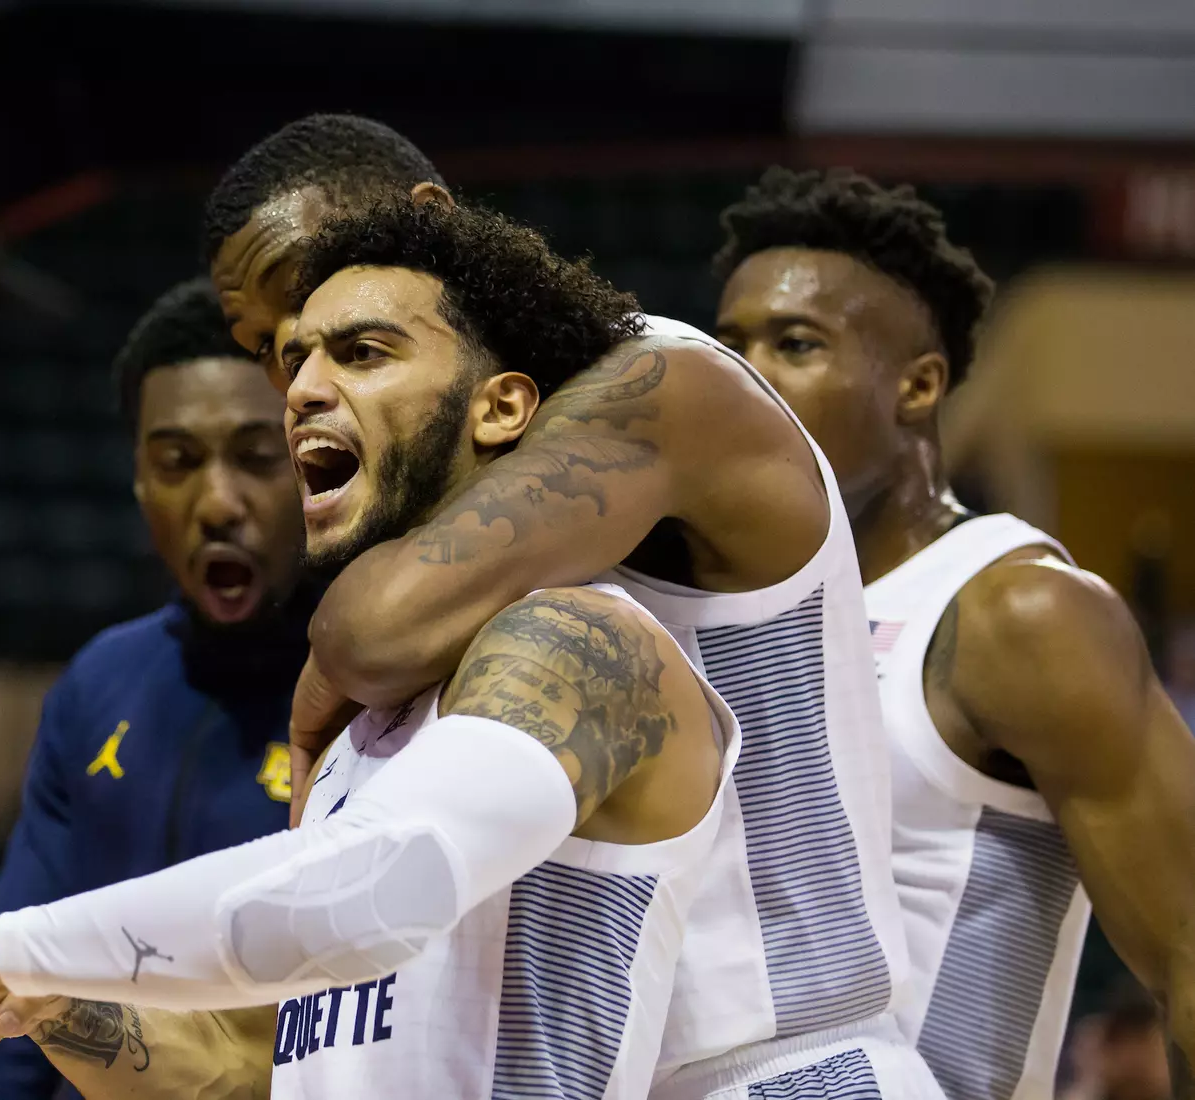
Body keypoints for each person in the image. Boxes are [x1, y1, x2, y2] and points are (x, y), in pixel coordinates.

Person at [0, 200, 744, 1100]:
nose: (300, 389)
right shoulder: (362, 723)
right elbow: (224, 1072)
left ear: (499, 408)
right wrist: (36, 995)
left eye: (363, 353)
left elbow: (376, 890)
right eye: (296, 358)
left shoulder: (580, 642)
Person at [210, 116, 935, 1096]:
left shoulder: (658, 378)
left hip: (781, 1062)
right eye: (266, 344)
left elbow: (364, 632)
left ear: (428, 223)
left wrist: (320, 678)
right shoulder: (452, 469)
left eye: (314, 296)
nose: (298, 368)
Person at [711, 167, 1195, 1100]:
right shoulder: (708, 606)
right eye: (731, 347)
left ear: (918, 386)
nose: (749, 380)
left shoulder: (1018, 612)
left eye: (796, 343)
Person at [0, 279, 309, 1100]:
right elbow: (13, 981)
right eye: (177, 463)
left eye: (258, 457)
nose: (217, 502)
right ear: (137, 482)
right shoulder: (101, 683)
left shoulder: (379, 698)